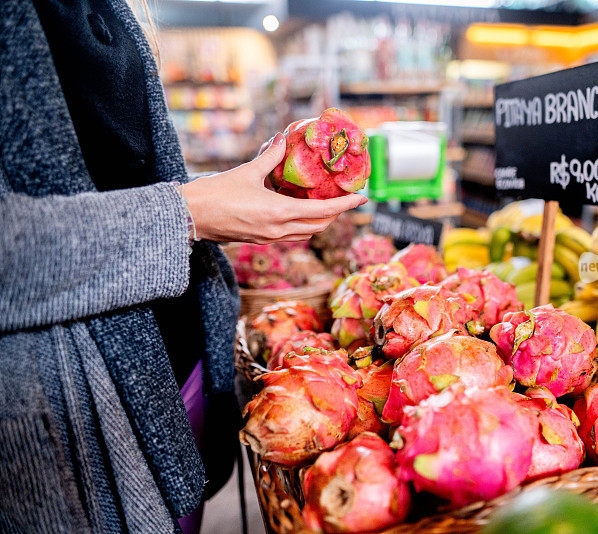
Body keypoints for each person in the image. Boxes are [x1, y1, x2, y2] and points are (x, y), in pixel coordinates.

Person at [0, 0, 366, 532]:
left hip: (169, 375)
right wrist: (193, 213)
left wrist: (227, 191)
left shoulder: (107, 9)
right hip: (72, 421)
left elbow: (123, 166)